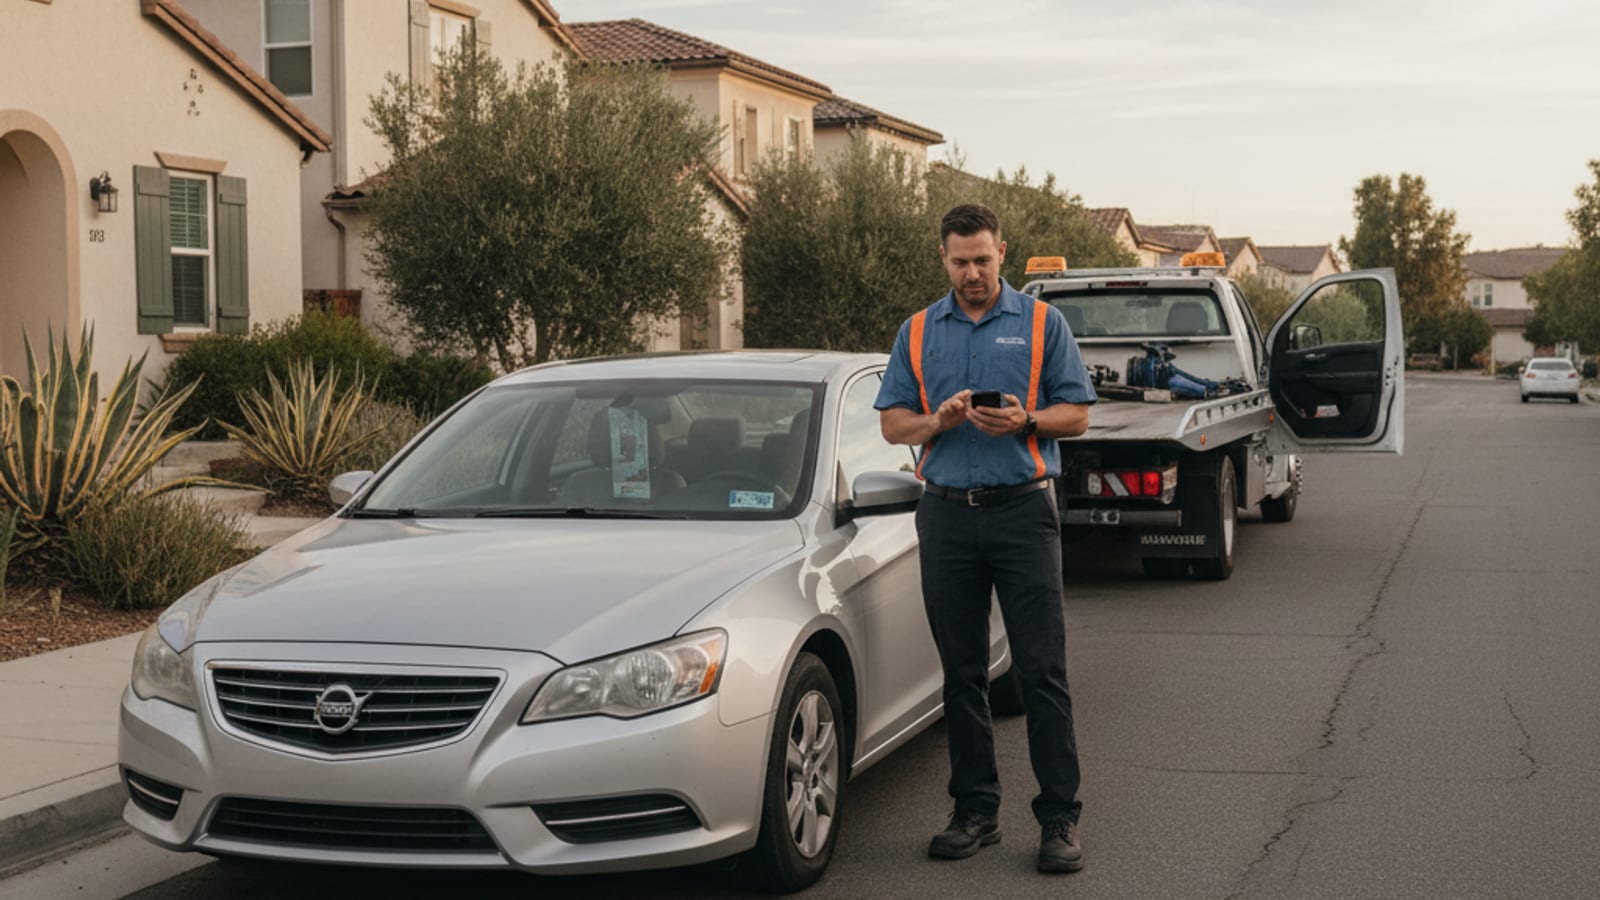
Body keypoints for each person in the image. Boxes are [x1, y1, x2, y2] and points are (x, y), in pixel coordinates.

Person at [875, 203, 1096, 873]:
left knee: (1041, 671)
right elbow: (892, 426)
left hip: (1023, 513)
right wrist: (936, 423)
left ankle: (1059, 819)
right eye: (959, 261)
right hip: (945, 517)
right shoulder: (917, 333)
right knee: (961, 673)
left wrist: (1029, 421)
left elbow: (1079, 415)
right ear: (943, 259)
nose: (972, 272)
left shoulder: (1041, 323)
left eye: (983, 259)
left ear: (1003, 251)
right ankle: (975, 811)